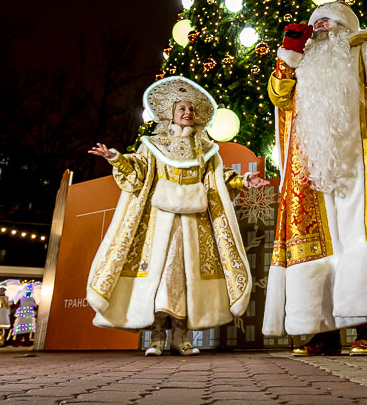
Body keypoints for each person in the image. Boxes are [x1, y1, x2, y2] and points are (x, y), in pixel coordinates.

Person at [262, 2, 367, 356]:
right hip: (314, 169)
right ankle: (321, 332)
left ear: (347, 26)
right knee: (322, 250)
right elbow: (279, 95)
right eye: (317, 22)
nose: (322, 26)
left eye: (329, 20)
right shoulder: (301, 62)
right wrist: (289, 54)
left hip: (363, 164)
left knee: (360, 245)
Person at [87, 77, 262, 356]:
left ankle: (182, 337)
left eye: (191, 110)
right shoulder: (153, 145)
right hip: (159, 224)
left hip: (194, 226)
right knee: (160, 274)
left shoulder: (206, 150)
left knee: (184, 277)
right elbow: (138, 174)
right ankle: (157, 336)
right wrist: (116, 158)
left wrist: (243, 181)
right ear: (171, 113)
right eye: (182, 108)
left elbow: (219, 180)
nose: (187, 113)